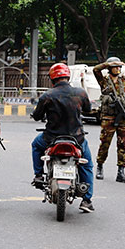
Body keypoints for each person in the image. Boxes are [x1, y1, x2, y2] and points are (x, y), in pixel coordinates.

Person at [31, 63, 95, 213]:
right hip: (77, 139)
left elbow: (37, 116)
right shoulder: (80, 93)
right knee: (87, 165)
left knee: (35, 145)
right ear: (68, 76)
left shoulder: (47, 96)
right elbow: (88, 110)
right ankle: (87, 200)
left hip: (51, 138)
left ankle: (39, 175)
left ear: (52, 78)